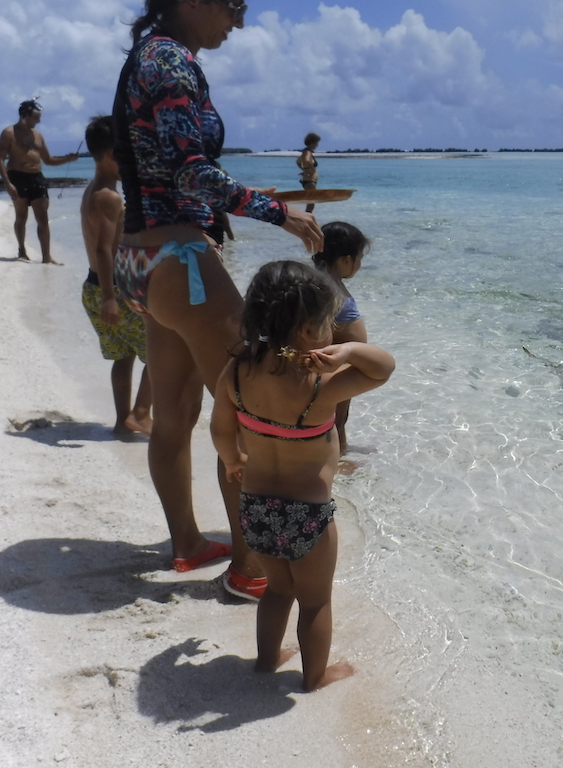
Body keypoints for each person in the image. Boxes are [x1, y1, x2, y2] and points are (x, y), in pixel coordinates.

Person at [112, 0, 324, 598]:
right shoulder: (171, 61)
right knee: (255, 406)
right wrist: (277, 213)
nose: (239, 20)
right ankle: (252, 569)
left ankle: (187, 544)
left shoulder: (148, 56)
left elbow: (168, 170)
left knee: (174, 414)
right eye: (234, 6)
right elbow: (190, 174)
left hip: (140, 260)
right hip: (179, 261)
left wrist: (234, 205)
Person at [210, 260, 394, 691]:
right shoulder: (320, 382)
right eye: (331, 323)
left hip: (254, 507)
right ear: (311, 329)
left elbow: (220, 428)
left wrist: (233, 459)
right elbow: (383, 368)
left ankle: (267, 660)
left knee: (276, 590)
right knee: (315, 602)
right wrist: (349, 352)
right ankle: (315, 677)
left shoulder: (236, 372)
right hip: (308, 514)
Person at [80, 115, 153, 438]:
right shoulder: (110, 196)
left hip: (95, 287)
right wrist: (111, 297)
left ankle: (123, 423)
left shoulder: (93, 190)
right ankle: (140, 414)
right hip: (114, 292)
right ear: (112, 155)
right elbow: (103, 250)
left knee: (123, 357)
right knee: (164, 351)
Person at [312, 221, 369, 459]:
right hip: (339, 364)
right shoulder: (331, 289)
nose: (359, 264)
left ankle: (339, 450)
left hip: (335, 361)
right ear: (346, 260)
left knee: (333, 413)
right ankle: (337, 459)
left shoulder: (315, 281)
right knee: (338, 415)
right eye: (359, 258)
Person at [0, 100, 80, 264]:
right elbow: (0, 159)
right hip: (17, 177)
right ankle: (22, 250)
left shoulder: (38, 136)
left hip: (37, 177)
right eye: (36, 117)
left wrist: (68, 159)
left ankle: (46, 257)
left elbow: (48, 160)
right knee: (21, 216)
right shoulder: (9, 133)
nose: (39, 121)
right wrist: (7, 183)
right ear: (24, 116)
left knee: (43, 218)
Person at [296, 132, 319, 214]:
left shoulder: (306, 152)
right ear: (312, 143)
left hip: (309, 180)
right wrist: (312, 169)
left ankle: (306, 219)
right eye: (316, 143)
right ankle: (305, 220)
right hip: (309, 181)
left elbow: (298, 162)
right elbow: (306, 160)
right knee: (311, 203)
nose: (317, 145)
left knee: (311, 202)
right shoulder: (308, 152)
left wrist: (304, 169)